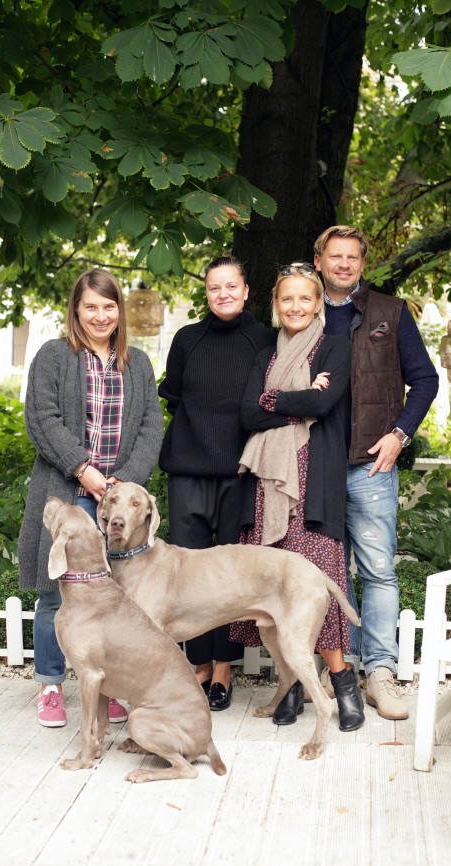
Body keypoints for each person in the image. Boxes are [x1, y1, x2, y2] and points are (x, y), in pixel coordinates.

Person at [19, 268, 164, 727]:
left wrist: (123, 485)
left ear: (120, 310)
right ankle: (50, 686)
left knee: (117, 596)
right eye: (91, 307)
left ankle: (111, 687)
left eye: (108, 306)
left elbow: (151, 428)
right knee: (57, 595)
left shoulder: (137, 364)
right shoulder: (54, 356)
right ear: (76, 310)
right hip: (70, 493)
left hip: (118, 503)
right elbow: (42, 418)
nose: (100, 316)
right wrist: (83, 469)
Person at [231, 263, 365, 732]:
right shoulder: (264, 355)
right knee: (273, 591)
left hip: (313, 487)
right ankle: (290, 686)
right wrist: (298, 398)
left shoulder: (335, 347)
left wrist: (275, 399)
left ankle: (343, 683)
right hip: (268, 488)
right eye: (287, 298)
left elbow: (323, 404)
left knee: (318, 584)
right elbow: (248, 414)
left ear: (317, 304)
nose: (295, 306)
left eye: (305, 298)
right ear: (276, 304)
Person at [313, 225, 439, 720]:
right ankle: (339, 671)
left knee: (379, 571)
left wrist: (399, 435)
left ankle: (381, 673)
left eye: (353, 257)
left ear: (363, 264)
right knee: (327, 572)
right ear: (319, 261)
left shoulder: (390, 312)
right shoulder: (303, 308)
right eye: (335, 256)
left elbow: (425, 380)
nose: (344, 264)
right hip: (316, 464)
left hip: (371, 465)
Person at [158, 256, 274, 711]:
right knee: (187, 575)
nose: (223, 294)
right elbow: (174, 396)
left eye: (231, 286)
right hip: (188, 470)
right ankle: (198, 667)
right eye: (214, 288)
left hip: (239, 473)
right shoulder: (187, 339)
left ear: (246, 291)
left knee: (228, 578)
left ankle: (224, 668)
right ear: (206, 293)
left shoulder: (264, 339)